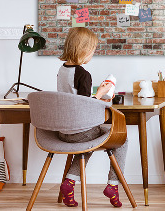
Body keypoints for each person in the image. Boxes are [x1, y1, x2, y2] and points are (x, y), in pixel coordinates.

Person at [57, 27, 127, 208]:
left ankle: (69, 183)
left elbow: (74, 99)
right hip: (80, 131)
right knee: (122, 139)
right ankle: (113, 185)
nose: (92, 54)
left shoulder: (62, 70)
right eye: (92, 50)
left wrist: (97, 94)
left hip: (63, 131)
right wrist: (102, 93)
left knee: (87, 142)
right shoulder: (83, 74)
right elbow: (85, 105)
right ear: (83, 50)